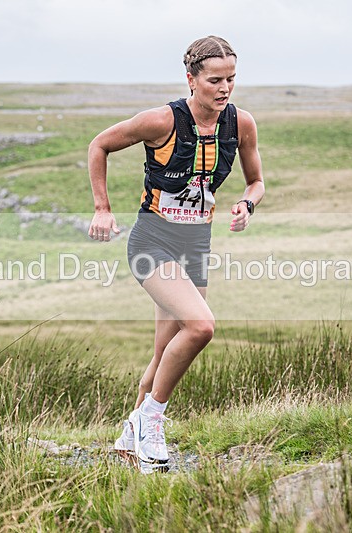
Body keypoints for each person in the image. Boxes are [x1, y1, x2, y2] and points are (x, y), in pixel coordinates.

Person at [87, 36, 265, 472]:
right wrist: (102, 209)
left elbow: (256, 181)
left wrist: (246, 204)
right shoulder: (161, 120)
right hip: (152, 241)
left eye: (232, 79)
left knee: (165, 349)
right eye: (215, 80)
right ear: (191, 79)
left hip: (196, 244)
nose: (224, 89)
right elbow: (99, 145)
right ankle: (151, 419)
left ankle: (130, 441)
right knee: (201, 326)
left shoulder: (241, 124)